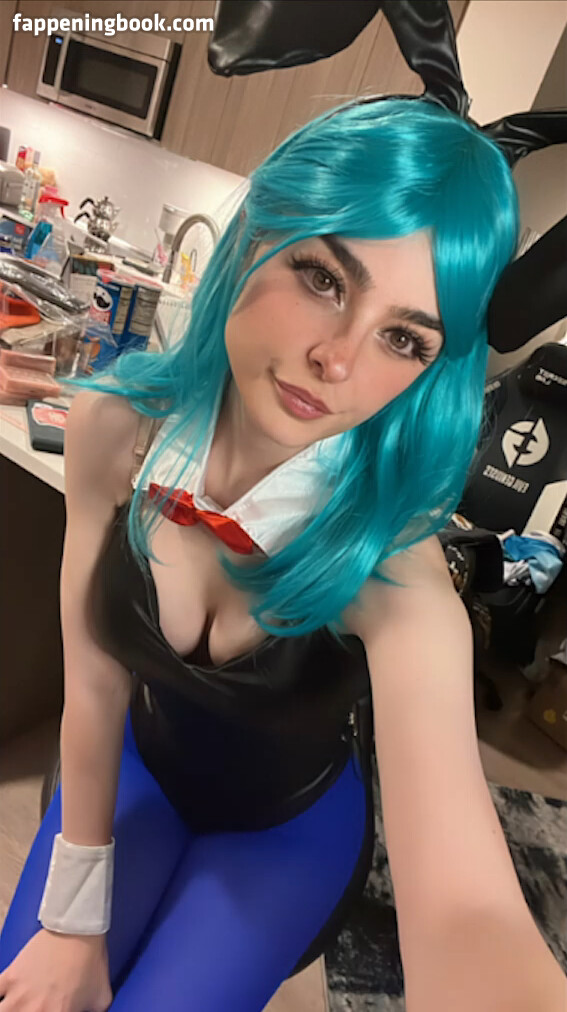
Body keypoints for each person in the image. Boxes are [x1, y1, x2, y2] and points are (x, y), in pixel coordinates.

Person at [0, 97, 565, 1012]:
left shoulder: (399, 576)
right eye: (323, 277)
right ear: (257, 233)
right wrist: (71, 919)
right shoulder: (113, 428)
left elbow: (469, 910)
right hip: (138, 768)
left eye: (402, 337)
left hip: (285, 835)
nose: (337, 360)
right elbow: (95, 686)